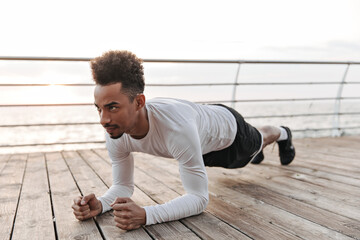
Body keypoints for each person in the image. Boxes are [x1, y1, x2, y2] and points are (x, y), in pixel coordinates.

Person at [72, 50, 296, 230]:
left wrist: (147, 215)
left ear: (139, 102)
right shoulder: (116, 130)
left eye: (112, 107)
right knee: (252, 150)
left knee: (260, 140)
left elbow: (199, 199)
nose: (104, 119)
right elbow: (123, 186)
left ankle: (283, 133)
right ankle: (261, 148)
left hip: (230, 134)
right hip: (199, 137)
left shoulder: (176, 128)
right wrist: (100, 204)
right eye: (99, 109)